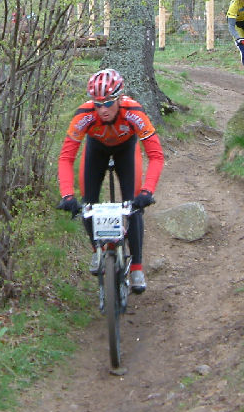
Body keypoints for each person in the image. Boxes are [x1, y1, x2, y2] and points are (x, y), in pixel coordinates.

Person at [56, 69, 165, 293]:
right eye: (97, 104)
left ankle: (136, 267)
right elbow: (66, 157)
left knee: (133, 206)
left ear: (119, 98)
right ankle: (98, 249)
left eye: (108, 103)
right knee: (88, 204)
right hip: (96, 149)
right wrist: (67, 195)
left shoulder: (133, 111)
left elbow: (156, 155)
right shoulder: (85, 115)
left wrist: (147, 191)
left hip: (126, 150)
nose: (102, 109)